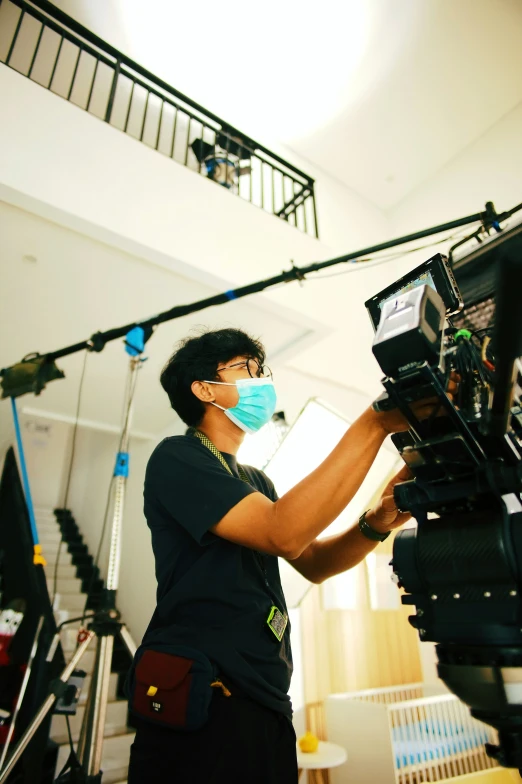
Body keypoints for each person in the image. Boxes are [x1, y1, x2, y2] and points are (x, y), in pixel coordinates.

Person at [128, 327, 454, 784]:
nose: (261, 381)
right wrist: (375, 423)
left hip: (266, 700)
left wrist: (376, 523)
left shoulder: (256, 481)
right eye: (246, 370)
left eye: (263, 371)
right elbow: (284, 532)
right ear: (203, 389)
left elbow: (314, 561)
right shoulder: (177, 456)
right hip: (207, 696)